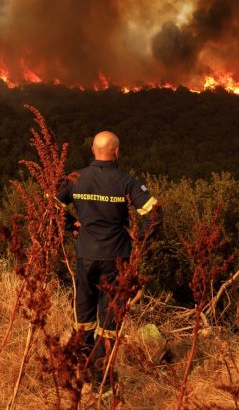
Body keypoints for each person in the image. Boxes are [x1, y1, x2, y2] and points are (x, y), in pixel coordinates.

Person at [55, 130, 162, 388]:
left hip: (85, 257)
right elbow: (155, 213)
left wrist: (71, 225)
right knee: (109, 321)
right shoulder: (127, 181)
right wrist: (139, 238)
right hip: (116, 260)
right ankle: (100, 381)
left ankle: (79, 374)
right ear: (117, 152)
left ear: (93, 150)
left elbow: (50, 206)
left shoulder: (75, 179)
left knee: (83, 318)